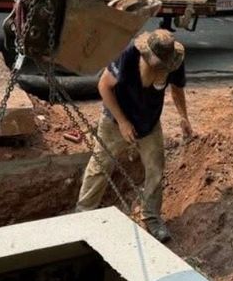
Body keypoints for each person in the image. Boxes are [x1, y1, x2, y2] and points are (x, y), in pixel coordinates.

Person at [75, 29, 193, 242]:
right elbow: (103, 86)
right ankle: (83, 212)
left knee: (155, 169)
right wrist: (122, 122)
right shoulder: (128, 55)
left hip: (149, 123)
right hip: (116, 120)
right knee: (100, 165)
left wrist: (184, 117)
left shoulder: (174, 61)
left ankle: (151, 217)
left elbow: (177, 89)